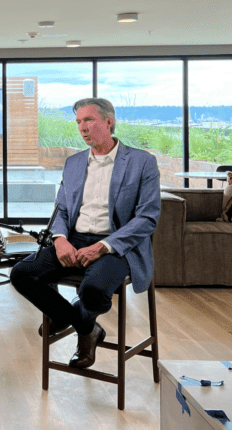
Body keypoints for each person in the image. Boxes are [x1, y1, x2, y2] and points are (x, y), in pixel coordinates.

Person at [10, 98, 160, 368]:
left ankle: (78, 322)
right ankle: (85, 327)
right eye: (78, 121)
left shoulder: (142, 162)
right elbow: (61, 210)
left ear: (108, 122)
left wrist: (104, 246)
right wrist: (60, 239)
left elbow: (147, 218)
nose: (82, 127)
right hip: (75, 240)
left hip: (116, 246)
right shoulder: (74, 163)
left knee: (92, 291)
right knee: (21, 274)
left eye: (88, 120)